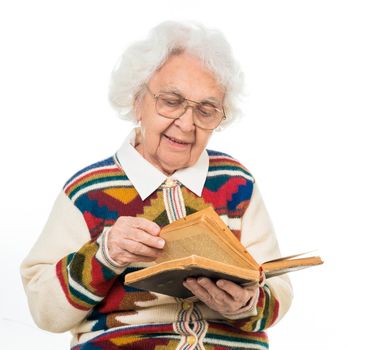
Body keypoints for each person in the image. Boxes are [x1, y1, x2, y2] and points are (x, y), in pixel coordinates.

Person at [21, 21, 293, 350]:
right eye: (171, 101)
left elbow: (278, 289)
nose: (186, 123)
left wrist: (247, 304)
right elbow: (44, 311)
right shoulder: (87, 191)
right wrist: (104, 255)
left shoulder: (237, 183)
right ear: (138, 101)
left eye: (206, 110)